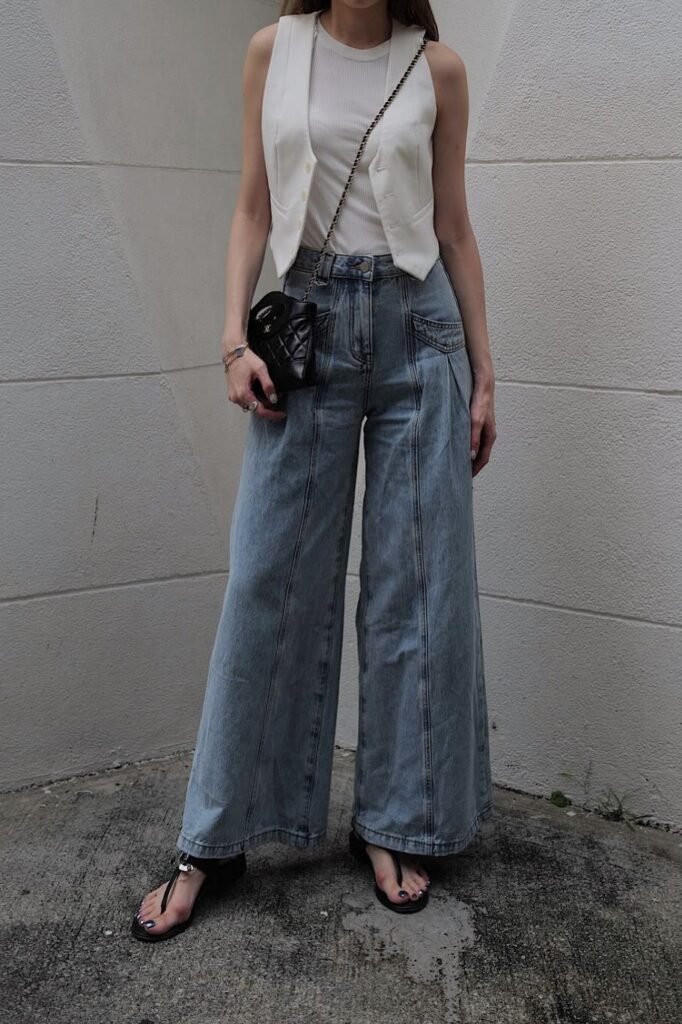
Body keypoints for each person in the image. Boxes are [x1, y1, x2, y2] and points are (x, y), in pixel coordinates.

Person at [132, 0, 496, 942]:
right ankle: (214, 836)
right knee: (267, 580)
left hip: (422, 334)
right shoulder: (274, 51)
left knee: (414, 590)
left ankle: (397, 822)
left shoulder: (437, 69)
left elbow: (454, 228)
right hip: (308, 324)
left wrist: (487, 372)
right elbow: (253, 205)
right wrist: (227, 342)